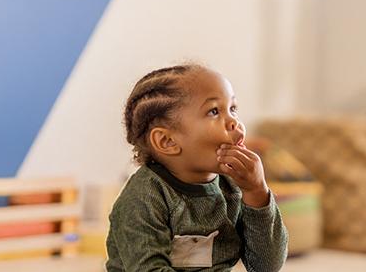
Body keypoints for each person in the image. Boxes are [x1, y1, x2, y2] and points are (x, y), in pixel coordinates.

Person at [106, 64, 288, 271]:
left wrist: (257, 193)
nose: (233, 122)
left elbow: (266, 266)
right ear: (167, 141)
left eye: (233, 109)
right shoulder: (143, 198)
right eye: (214, 111)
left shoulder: (231, 187)